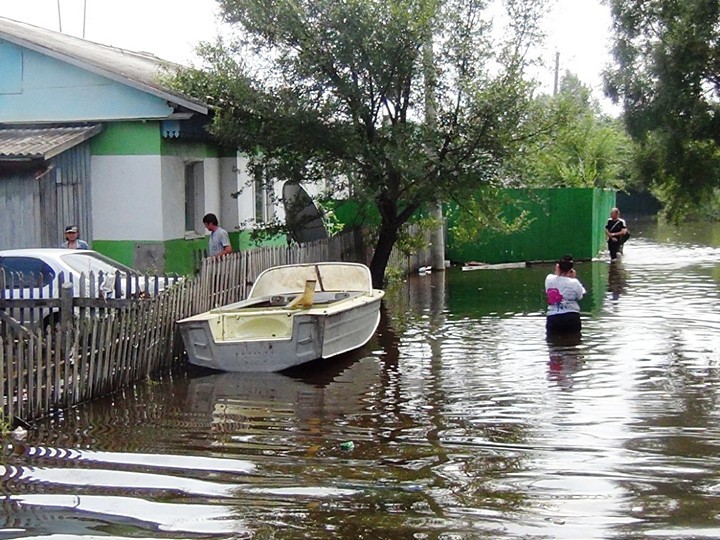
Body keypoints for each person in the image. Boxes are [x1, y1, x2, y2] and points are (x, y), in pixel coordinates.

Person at [545, 255, 586, 334]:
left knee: (553, 343)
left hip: (553, 317)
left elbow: (557, 278)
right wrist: (572, 278)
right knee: (574, 341)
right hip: (571, 316)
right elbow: (580, 295)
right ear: (570, 269)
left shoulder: (549, 279)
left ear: (558, 267)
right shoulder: (574, 282)